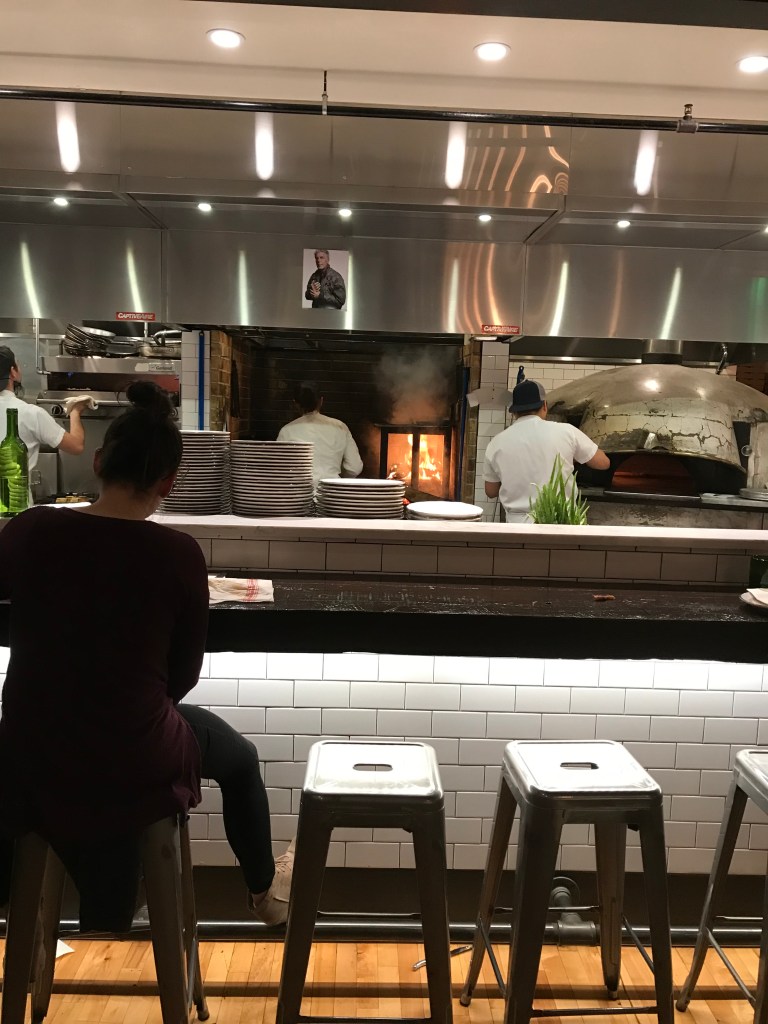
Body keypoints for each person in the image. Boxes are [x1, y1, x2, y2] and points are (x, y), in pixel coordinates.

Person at [0, 381, 292, 931]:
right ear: (169, 482)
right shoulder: (177, 554)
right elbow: (180, 679)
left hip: (29, 751)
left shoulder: (32, 528)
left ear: (100, 460)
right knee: (239, 758)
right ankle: (263, 896)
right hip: (130, 756)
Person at [483, 378, 610, 523]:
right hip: (561, 522)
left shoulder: (496, 442)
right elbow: (603, 463)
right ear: (544, 405)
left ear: (514, 412)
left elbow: (491, 491)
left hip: (518, 526)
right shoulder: (567, 432)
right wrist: (571, 457)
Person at [0, 345, 88, 468]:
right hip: (15, 481)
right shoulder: (30, 414)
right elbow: (76, 446)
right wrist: (75, 411)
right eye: (17, 364)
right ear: (13, 372)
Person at [277, 382, 363, 487]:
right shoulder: (340, 427)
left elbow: (279, 469)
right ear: (321, 401)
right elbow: (354, 468)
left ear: (295, 403)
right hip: (332, 491)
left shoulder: (286, 431)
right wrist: (338, 479)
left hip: (299, 493)